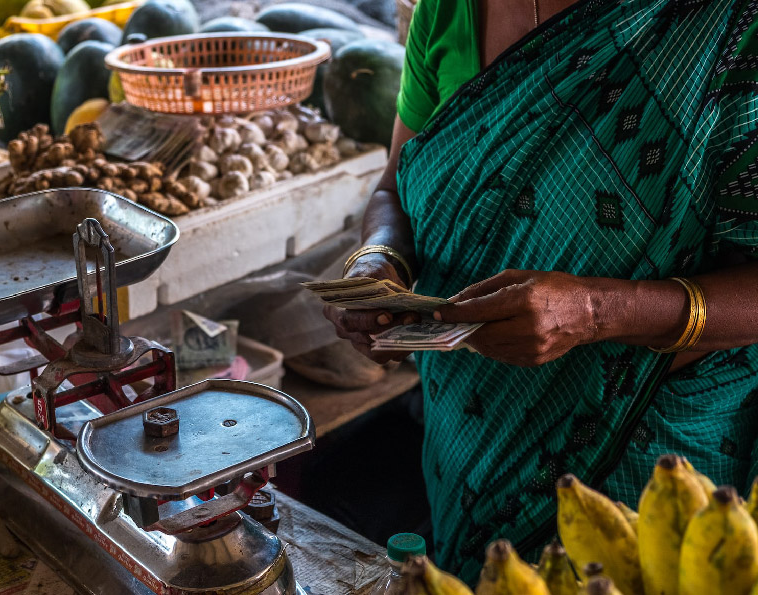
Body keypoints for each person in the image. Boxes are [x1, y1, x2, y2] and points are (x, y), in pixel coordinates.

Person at [324, 0, 758, 582]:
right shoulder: (449, 11)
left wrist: (596, 312)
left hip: (647, 448)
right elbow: (394, 186)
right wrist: (378, 260)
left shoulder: (726, 31)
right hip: (471, 429)